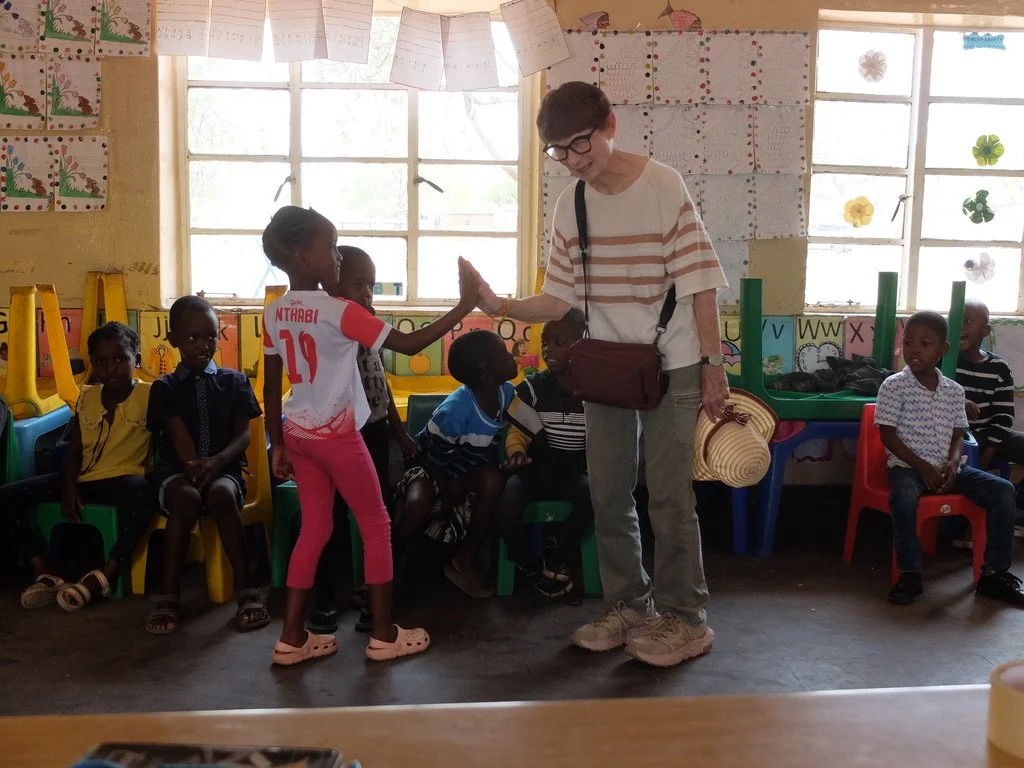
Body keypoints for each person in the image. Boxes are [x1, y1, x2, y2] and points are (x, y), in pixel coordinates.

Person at [474, 81, 728, 667]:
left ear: (610, 125)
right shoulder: (573, 204)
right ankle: (629, 606)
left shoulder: (663, 186)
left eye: (580, 144)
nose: (573, 161)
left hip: (678, 359)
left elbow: (700, 284)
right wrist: (502, 306)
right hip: (610, 365)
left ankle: (685, 618)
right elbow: (559, 299)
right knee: (610, 493)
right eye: (558, 151)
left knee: (668, 496)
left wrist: (715, 366)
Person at [260, 205, 482, 665]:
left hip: (297, 431)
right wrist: (464, 305)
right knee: (378, 525)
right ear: (303, 256)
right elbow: (409, 344)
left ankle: (292, 638)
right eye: (330, 247)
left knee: (315, 528)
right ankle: (383, 634)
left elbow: (269, 382)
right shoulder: (339, 312)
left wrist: (277, 441)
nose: (337, 256)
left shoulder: (275, 312)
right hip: (337, 436)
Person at [0, 322, 155, 611]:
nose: (111, 369)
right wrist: (69, 485)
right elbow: (73, 449)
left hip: (122, 480)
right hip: (80, 478)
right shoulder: (88, 396)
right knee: (6, 496)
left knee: (142, 491)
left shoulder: (150, 395)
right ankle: (44, 572)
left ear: (138, 360)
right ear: (93, 363)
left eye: (121, 359)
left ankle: (105, 574)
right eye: (101, 361)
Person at [875, 310, 1024, 607]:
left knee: (1003, 491)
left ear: (943, 350)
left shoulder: (954, 392)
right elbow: (888, 436)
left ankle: (994, 574)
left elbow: (959, 435)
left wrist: (953, 465)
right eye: (909, 342)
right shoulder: (893, 386)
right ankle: (910, 573)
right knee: (904, 496)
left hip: (949, 467)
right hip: (909, 467)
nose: (914, 349)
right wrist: (923, 467)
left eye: (925, 343)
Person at [308, 245, 418, 634]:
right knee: (329, 519)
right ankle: (324, 600)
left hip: (373, 430)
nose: (367, 293)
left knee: (376, 517)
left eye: (371, 285)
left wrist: (399, 429)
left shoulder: (366, 323)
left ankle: (375, 599)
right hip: (336, 433)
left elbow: (379, 380)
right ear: (332, 284)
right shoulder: (330, 325)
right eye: (358, 284)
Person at [145, 295, 267, 635]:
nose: (204, 345)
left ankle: (246, 590)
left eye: (211, 336)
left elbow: (244, 436)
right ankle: (168, 594)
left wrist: (217, 463)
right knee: (186, 497)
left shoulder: (234, 382)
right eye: (192, 338)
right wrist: (195, 467)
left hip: (225, 468)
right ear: (173, 340)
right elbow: (176, 433)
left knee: (223, 495)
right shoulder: (164, 387)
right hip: (178, 473)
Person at [393, 329, 518, 599]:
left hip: (462, 467)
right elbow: (435, 457)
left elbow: (507, 433)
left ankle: (463, 559)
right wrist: (450, 489)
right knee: (419, 501)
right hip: (426, 465)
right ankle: (382, 570)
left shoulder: (505, 394)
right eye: (505, 356)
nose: (512, 357)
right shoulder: (455, 412)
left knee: (493, 482)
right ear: (486, 376)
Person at [495, 308, 591, 597]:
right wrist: (516, 452)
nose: (548, 350)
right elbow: (518, 432)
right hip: (534, 471)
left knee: (596, 497)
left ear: (581, 344)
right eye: (545, 342)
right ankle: (526, 563)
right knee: (506, 506)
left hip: (572, 473)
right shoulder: (532, 388)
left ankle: (560, 548)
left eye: (559, 343)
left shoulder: (592, 391)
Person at [956, 298, 1024, 535]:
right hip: (958, 437)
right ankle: (965, 525)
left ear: (984, 331)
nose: (960, 326)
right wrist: (958, 401)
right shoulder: (944, 360)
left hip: (991, 436)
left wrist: (987, 455)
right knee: (964, 458)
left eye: (968, 321)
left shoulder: (999, 367)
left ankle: (1018, 514)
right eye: (955, 320)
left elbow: (1004, 416)